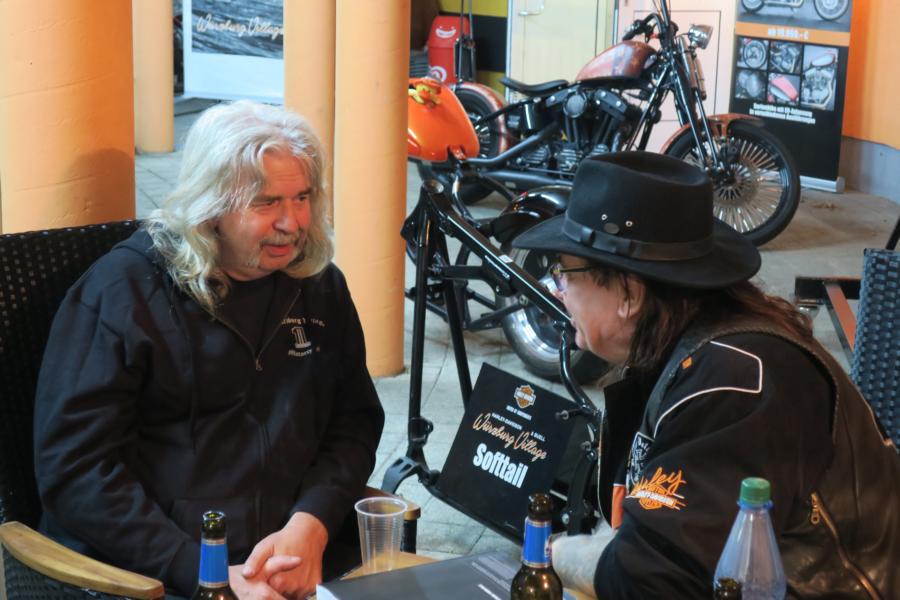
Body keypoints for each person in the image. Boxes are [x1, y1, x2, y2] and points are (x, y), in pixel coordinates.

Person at [33, 100, 385, 599]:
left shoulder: (319, 285)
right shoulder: (122, 293)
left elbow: (354, 423)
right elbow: (76, 472)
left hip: (293, 559)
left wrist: (313, 523)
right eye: (267, 203)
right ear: (212, 208)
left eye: (302, 197)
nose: (292, 223)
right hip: (152, 576)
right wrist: (206, 572)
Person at [512, 151, 900, 598]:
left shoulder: (735, 383)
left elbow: (649, 580)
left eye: (564, 273)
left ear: (629, 293)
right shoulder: (696, 342)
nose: (557, 290)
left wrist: (557, 554)